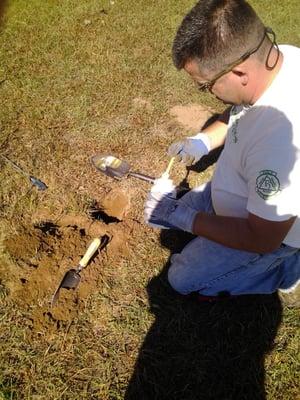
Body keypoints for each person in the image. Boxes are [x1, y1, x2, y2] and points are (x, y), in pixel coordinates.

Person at [144, 0, 300, 306]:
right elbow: (238, 112)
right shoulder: (279, 59)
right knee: (173, 215)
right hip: (239, 191)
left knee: (181, 278)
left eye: (205, 86)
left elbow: (262, 237)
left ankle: (285, 271)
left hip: (271, 233)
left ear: (240, 71)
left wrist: (186, 218)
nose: (208, 94)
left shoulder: (279, 147)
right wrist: (202, 141)